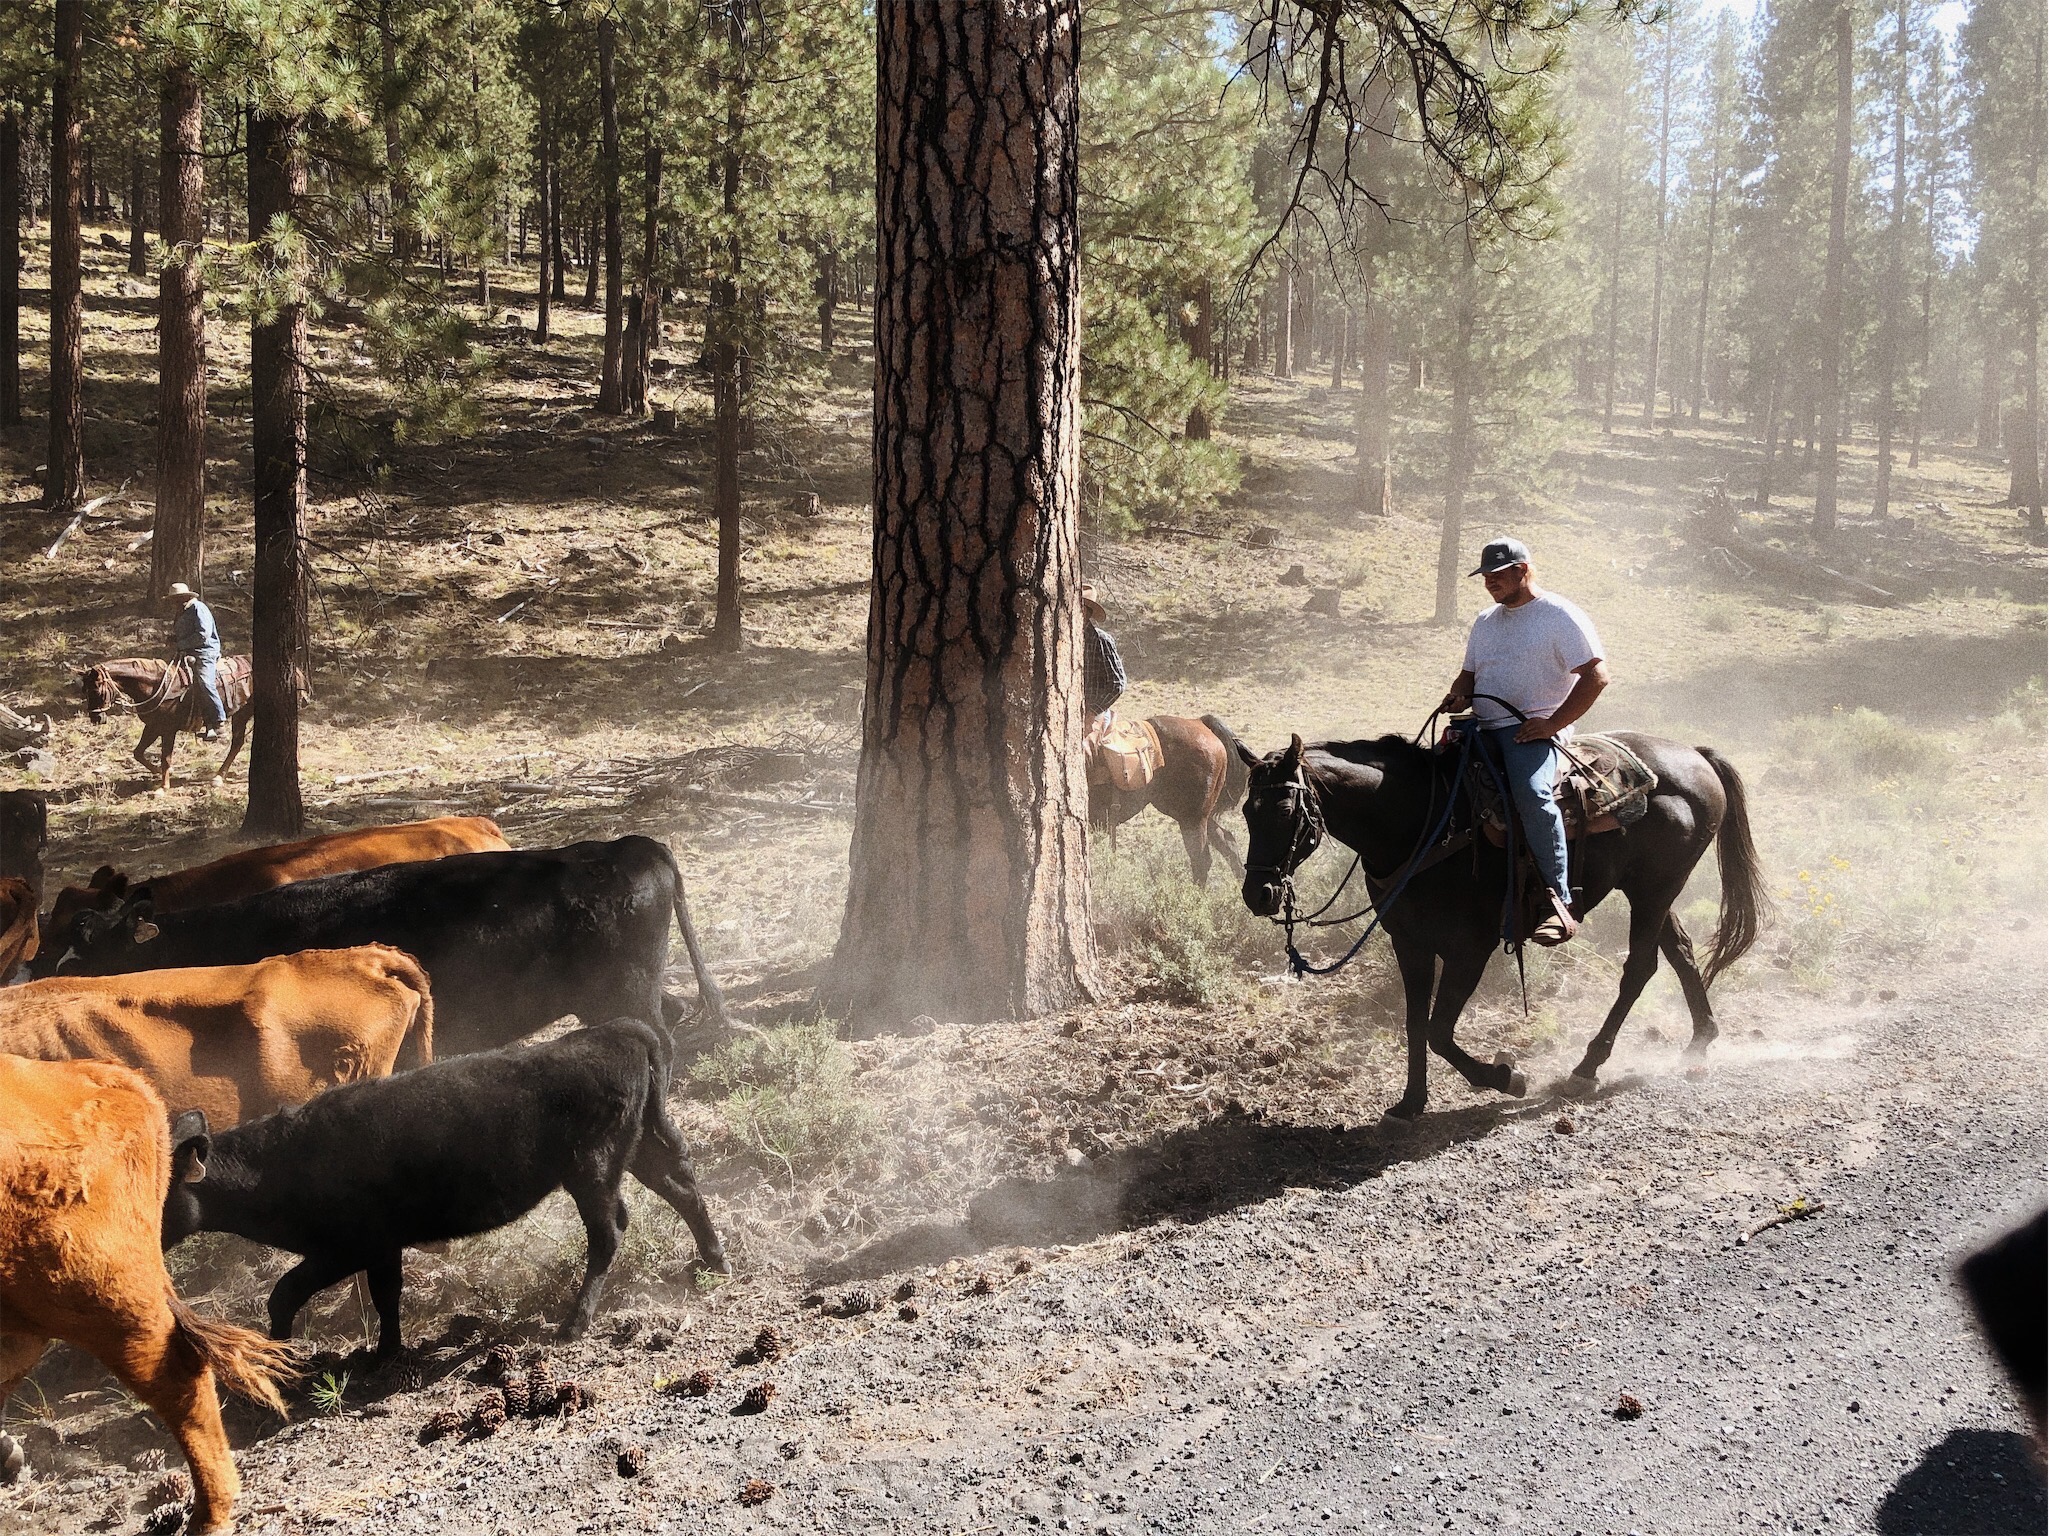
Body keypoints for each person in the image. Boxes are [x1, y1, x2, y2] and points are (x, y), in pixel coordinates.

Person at [1439, 537, 1609, 946]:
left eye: (1498, 574)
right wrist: (1458, 693)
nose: (1490, 583)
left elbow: (1597, 677)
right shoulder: (1485, 621)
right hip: (1481, 727)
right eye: (1485, 576)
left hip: (1528, 731)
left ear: (1522, 570)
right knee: (1431, 782)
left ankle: (1557, 902)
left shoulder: (1558, 615)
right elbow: (1470, 676)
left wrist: (1551, 724)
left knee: (1532, 796)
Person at [166, 583, 226, 743]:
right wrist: (174, 639)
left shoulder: (198, 608)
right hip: (187, 651)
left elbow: (203, 635)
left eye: (177, 599)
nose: (175, 603)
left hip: (205, 652)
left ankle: (219, 722)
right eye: (173, 600)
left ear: (186, 597)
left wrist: (181, 644)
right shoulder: (181, 612)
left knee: (205, 683)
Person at [1081, 582, 1126, 739]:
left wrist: (1092, 711)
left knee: (1085, 748)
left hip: (1095, 713)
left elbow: (1117, 683)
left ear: (1086, 612)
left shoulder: (1101, 640)